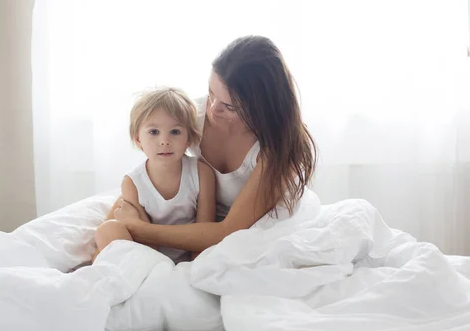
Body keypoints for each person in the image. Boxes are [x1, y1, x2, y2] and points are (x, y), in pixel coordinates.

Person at [103, 35, 317, 256]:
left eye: (229, 106)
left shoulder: (280, 148)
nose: (213, 110)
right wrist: (117, 224)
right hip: (203, 226)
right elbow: (155, 172)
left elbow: (230, 231)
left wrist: (142, 229)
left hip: (252, 231)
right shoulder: (194, 116)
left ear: (262, 108)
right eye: (211, 93)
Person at [94, 87, 216, 263]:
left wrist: (193, 268)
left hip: (190, 253)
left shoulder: (202, 173)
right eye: (153, 132)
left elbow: (205, 230)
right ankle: (141, 274)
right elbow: (142, 235)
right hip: (148, 253)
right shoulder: (132, 182)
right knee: (107, 229)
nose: (164, 141)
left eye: (175, 132)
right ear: (138, 139)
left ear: (188, 138)